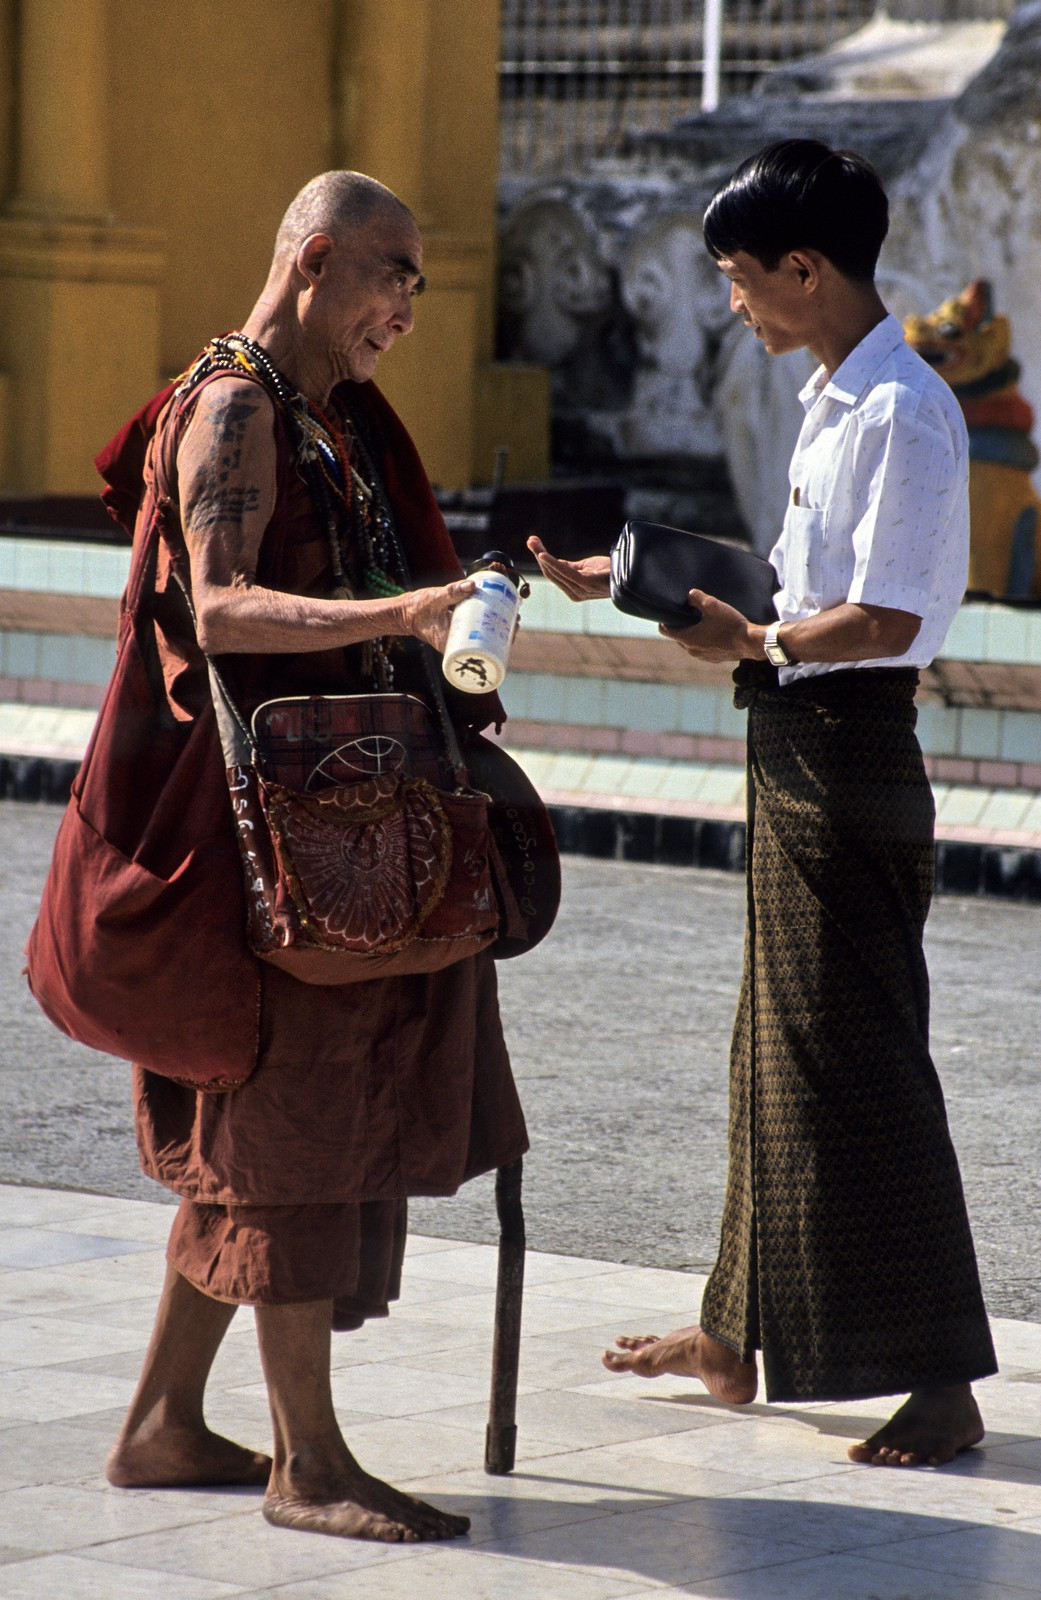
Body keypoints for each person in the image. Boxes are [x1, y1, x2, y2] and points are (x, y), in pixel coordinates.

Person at [530, 139, 997, 1468]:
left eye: (740, 278)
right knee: (773, 1047)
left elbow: (889, 614)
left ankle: (938, 1376)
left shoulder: (900, 407)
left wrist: (759, 645)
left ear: (804, 269)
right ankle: (735, 1336)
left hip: (848, 753)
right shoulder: (831, 392)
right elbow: (796, 585)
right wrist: (631, 579)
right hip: (797, 743)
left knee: (857, 1061)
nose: (731, 301)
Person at [100, 171, 528, 1541]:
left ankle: (164, 1425)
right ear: (318, 261)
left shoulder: (318, 417)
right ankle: (311, 1465)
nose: (409, 303)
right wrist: (405, 605)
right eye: (394, 274)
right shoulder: (230, 407)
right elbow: (219, 610)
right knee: (289, 1130)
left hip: (341, 821)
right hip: (272, 843)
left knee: (267, 1137)